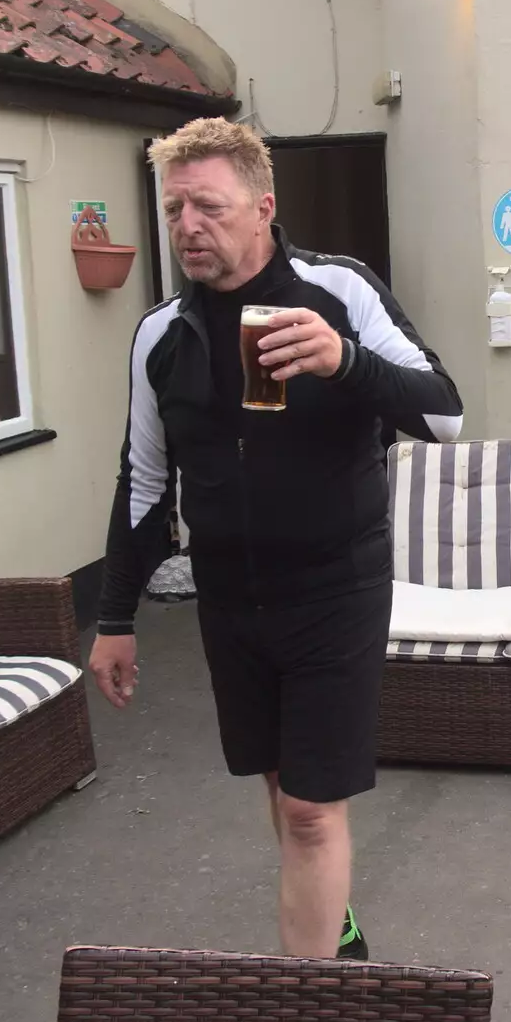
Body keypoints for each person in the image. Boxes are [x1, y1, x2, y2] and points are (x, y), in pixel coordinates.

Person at [89, 117, 462, 960]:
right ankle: (338, 925)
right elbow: (144, 485)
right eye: (175, 206)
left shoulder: (340, 291)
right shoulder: (159, 334)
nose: (188, 225)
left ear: (263, 207)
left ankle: (311, 997)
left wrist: (345, 361)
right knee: (282, 787)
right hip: (230, 599)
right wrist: (114, 616)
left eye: (208, 206)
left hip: (338, 587)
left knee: (307, 808)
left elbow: (444, 410)